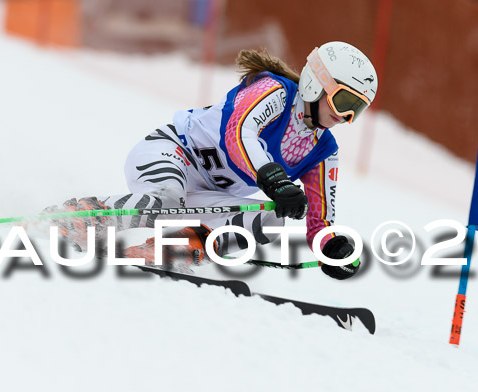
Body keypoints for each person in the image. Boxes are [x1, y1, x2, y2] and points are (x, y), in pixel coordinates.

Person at [50, 41, 378, 279]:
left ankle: (174, 249)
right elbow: (237, 133)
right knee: (164, 201)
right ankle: (80, 219)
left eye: (357, 109)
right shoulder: (275, 91)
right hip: (174, 152)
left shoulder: (324, 150)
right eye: (343, 101)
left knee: (273, 219)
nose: (346, 116)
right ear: (316, 83)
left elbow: (320, 220)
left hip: (207, 193)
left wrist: (331, 249)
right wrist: (273, 178)